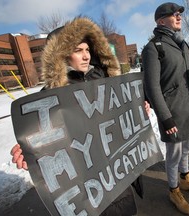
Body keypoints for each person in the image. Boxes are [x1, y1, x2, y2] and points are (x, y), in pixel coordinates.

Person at [10, 16, 150, 216]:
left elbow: (120, 123)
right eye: (78, 50)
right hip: (87, 193)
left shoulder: (108, 81)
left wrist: (137, 113)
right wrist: (30, 153)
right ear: (62, 55)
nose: (85, 56)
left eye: (87, 50)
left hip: (119, 182)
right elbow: (44, 144)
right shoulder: (47, 99)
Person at [141, 2, 189, 215]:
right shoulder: (154, 48)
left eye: (179, 14)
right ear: (161, 21)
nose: (179, 17)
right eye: (173, 15)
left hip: (188, 106)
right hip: (172, 111)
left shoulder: (182, 44)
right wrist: (165, 118)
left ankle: (185, 178)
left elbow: (181, 76)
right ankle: (173, 190)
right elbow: (151, 87)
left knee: (186, 147)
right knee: (174, 154)